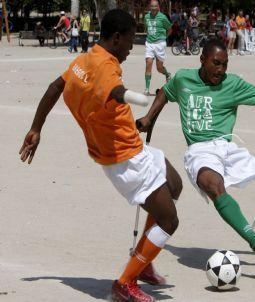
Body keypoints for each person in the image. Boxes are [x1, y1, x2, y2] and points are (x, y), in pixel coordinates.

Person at [19, 9, 182, 302]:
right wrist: (130, 96)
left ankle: (143, 263)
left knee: (174, 184)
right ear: (117, 38)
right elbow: (113, 90)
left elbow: (56, 86)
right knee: (169, 221)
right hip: (126, 160)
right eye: (131, 41)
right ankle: (125, 283)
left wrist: (36, 128)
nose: (132, 48)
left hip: (131, 148)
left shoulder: (85, 58)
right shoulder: (107, 68)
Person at [137, 38, 255, 267]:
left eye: (225, 64)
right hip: (200, 150)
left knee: (221, 187)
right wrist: (149, 118)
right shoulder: (182, 78)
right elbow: (165, 93)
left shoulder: (233, 83)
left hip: (227, 148)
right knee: (213, 186)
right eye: (216, 63)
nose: (221, 70)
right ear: (202, 60)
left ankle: (250, 234)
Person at [144, 0, 172, 96]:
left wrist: (164, 38)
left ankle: (167, 74)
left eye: (155, 6)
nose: (154, 8)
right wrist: (149, 38)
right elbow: (147, 28)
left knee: (159, 68)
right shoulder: (146, 17)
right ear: (149, 7)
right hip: (149, 43)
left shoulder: (163, 17)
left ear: (158, 7)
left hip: (160, 44)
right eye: (152, 6)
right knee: (148, 63)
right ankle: (147, 89)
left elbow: (169, 29)